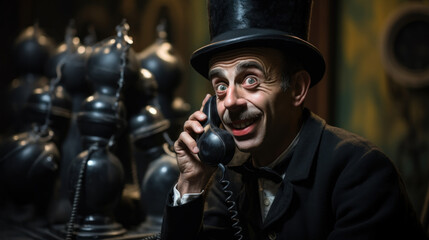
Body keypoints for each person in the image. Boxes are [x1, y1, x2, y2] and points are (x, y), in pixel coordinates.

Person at [160, 0, 427, 239]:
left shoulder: (362, 172)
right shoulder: (228, 177)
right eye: (220, 86)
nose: (230, 101)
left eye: (251, 80)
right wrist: (191, 184)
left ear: (297, 89)